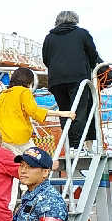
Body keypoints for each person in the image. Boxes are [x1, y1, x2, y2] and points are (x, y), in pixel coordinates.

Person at [42, 11, 101, 151]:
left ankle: (70, 146)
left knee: (64, 112)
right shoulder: (82, 34)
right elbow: (93, 54)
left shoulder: (49, 37)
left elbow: (46, 59)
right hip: (78, 78)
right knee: (79, 112)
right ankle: (78, 146)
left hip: (56, 81)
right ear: (74, 20)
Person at [0, 67, 76, 155]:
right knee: (35, 160)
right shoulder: (24, 92)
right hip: (19, 137)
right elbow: (34, 111)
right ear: (29, 81)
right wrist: (61, 113)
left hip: (2, 137)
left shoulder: (3, 94)